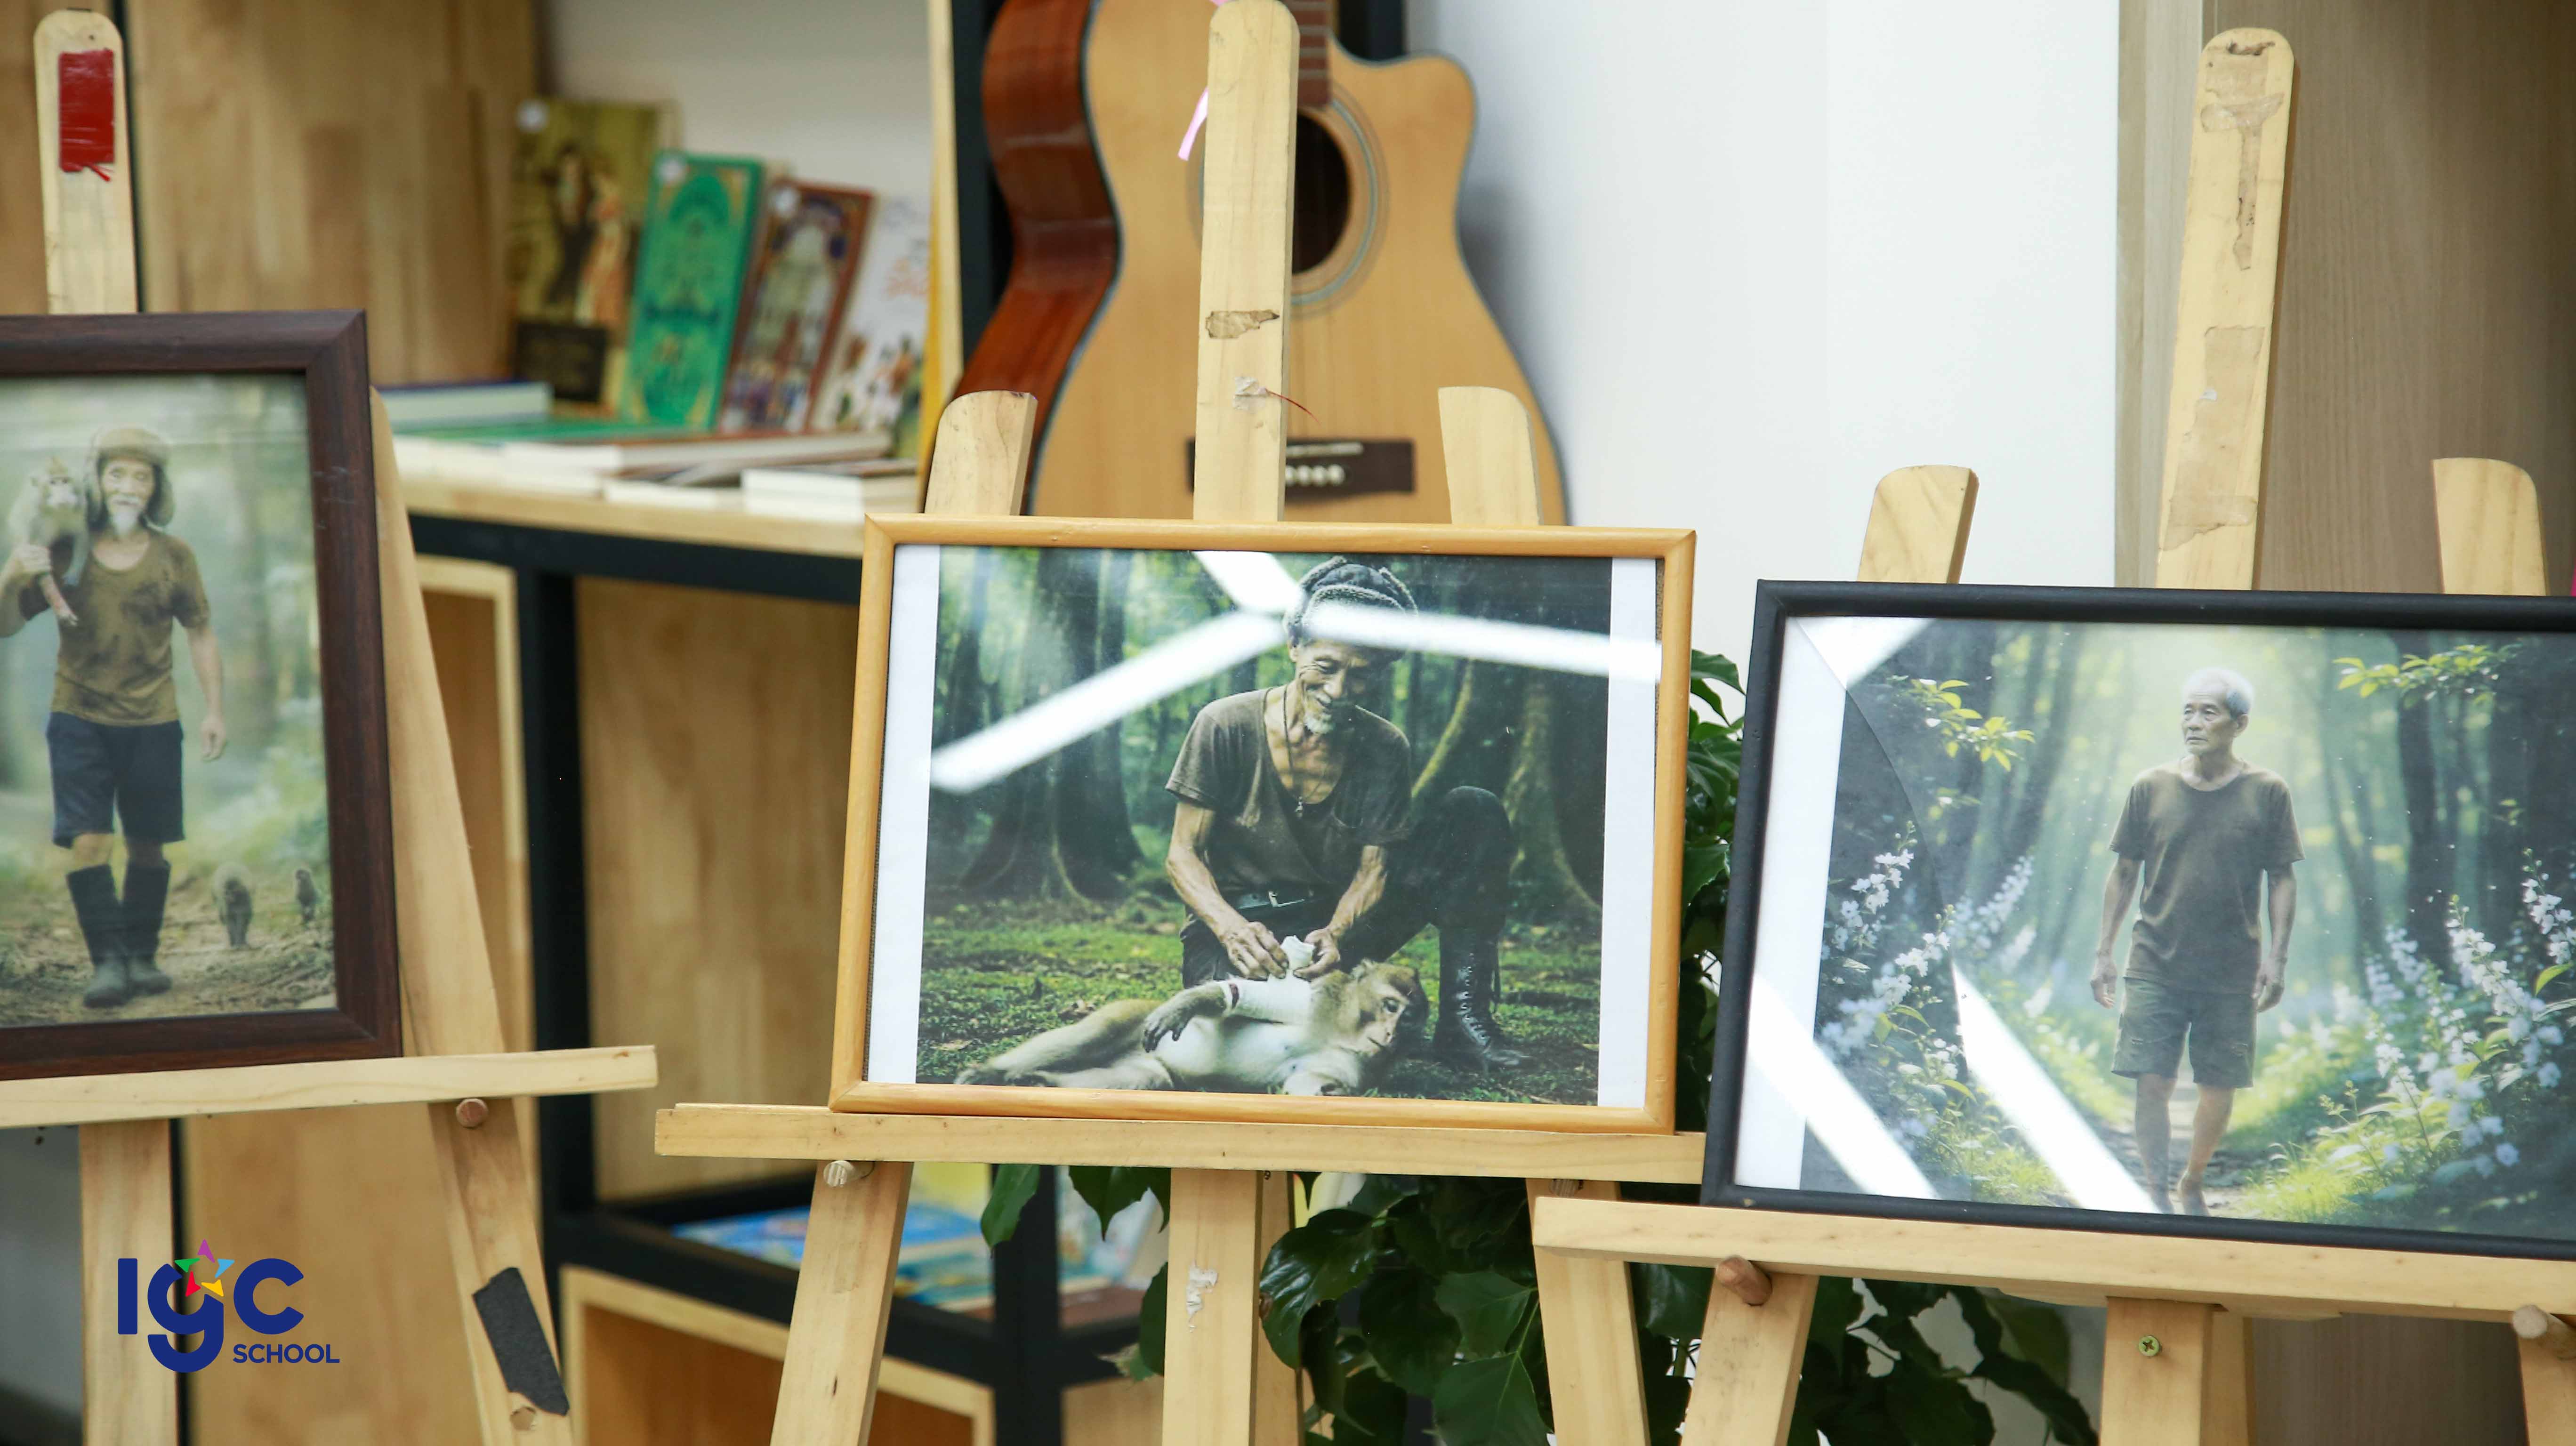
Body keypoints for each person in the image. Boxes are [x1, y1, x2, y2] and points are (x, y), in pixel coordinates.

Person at [1162, 557, 1523, 1069]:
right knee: (1248, 1025)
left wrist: (1336, 932)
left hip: (1330, 932)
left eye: (1361, 676)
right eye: (1326, 668)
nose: (1337, 692)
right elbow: (1183, 855)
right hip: (1241, 930)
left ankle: (1465, 1023)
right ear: (1295, 645)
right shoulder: (1224, 724)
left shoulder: (1384, 747)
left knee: (1473, 810)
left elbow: (1375, 870)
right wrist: (1231, 928)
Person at [0, 426, 225, 1009]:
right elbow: (6, 624)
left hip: (154, 719)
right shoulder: (66, 547)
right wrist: (11, 573)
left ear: (155, 489)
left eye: (141, 476)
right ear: (97, 483)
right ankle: (108, 964)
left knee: (148, 845)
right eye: (117, 474)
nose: (129, 486)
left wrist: (214, 711)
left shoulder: (175, 555)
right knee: (90, 842)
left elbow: (201, 631)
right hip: (78, 715)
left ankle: (141, 957)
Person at [2091, 667, 2299, 1215]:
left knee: (2218, 1086)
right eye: (2188, 711)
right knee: (2151, 1081)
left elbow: (2282, 877)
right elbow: (2123, 871)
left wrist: (2277, 960)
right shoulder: (2150, 786)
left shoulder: (2268, 791)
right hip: (2154, 960)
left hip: (2232, 968)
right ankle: (2155, 1190)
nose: (2194, 722)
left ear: (2239, 724)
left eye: (2209, 712)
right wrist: (2103, 953)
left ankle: (2193, 1180)